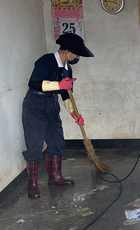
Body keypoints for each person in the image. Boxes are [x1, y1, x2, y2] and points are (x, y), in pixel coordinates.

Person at [22, 33, 94, 199]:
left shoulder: (68, 69)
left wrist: (75, 114)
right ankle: (32, 185)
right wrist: (58, 84)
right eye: (76, 53)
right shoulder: (46, 61)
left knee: (57, 141)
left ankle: (55, 178)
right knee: (35, 145)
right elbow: (33, 83)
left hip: (52, 105)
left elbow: (66, 95)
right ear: (67, 51)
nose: (77, 57)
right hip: (35, 105)